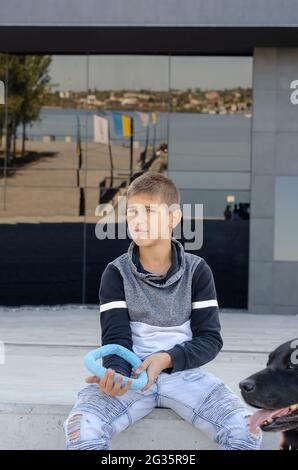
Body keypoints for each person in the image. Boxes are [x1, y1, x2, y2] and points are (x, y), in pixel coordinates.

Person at [63, 171, 262, 450]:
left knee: (247, 429)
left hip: (185, 376)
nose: (137, 220)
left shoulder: (197, 271)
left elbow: (210, 340)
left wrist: (165, 359)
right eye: (132, 212)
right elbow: (116, 340)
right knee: (80, 428)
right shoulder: (115, 273)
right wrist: (116, 375)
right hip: (133, 379)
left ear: (173, 218)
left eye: (148, 211)